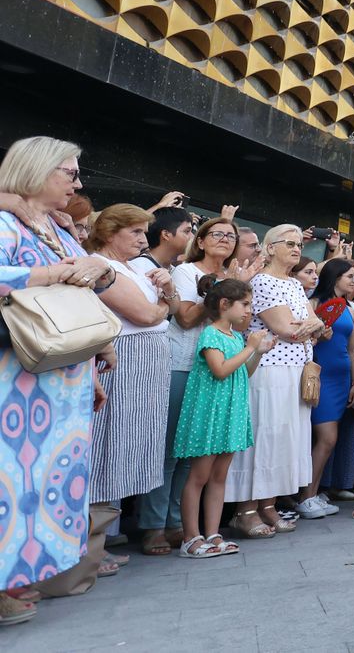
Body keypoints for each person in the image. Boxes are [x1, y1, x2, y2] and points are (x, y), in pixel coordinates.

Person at [0, 139, 113, 618]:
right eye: (69, 172)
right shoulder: (5, 221)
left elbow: (89, 287)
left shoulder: (55, 228)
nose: (78, 182)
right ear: (36, 171)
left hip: (59, 381)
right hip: (15, 379)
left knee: (42, 483)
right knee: (10, 482)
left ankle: (20, 577)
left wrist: (97, 268)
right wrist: (56, 273)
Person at [87, 203, 178, 577]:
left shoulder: (133, 267)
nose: (144, 240)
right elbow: (146, 315)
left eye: (145, 232)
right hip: (123, 361)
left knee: (129, 445)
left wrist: (165, 294)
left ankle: (104, 536)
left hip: (148, 364)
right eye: (136, 232)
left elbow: (166, 309)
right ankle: (92, 544)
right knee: (109, 444)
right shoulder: (99, 264)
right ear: (110, 233)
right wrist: (163, 300)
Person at [225, 225, 322, 537]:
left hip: (295, 369)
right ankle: (246, 510)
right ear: (270, 248)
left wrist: (308, 326)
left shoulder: (294, 284)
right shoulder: (263, 281)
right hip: (269, 370)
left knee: (284, 440)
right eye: (289, 243)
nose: (296, 248)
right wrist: (307, 326)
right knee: (264, 436)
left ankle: (268, 505)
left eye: (298, 244)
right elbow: (286, 328)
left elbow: (317, 326)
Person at [136, 212, 221, 556]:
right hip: (181, 362)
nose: (226, 240)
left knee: (191, 452)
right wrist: (213, 295)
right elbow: (185, 319)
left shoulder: (236, 274)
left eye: (230, 236)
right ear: (199, 240)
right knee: (169, 448)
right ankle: (153, 526)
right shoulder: (187, 271)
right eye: (217, 234)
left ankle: (176, 523)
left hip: (212, 369)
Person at [172, 278, 269, 558]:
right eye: (245, 304)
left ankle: (213, 534)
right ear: (225, 305)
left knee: (219, 477)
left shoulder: (235, 336)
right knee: (199, 476)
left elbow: (242, 372)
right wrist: (250, 348)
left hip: (230, 412)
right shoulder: (211, 334)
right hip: (210, 413)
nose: (249, 310)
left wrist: (257, 354)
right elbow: (220, 370)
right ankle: (191, 537)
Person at [300, 259, 354, 518]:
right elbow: (304, 340)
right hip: (319, 375)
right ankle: (306, 497)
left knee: (327, 441)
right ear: (334, 277)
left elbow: (352, 349)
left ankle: (313, 493)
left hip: (341, 379)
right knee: (326, 438)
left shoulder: (350, 309)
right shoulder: (313, 304)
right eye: (349, 276)